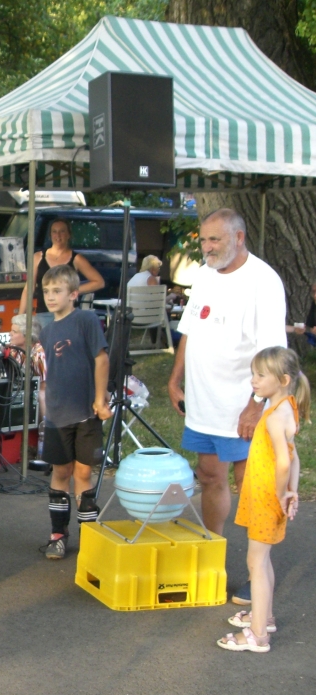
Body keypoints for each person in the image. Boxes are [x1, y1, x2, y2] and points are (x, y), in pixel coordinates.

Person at [168, 208, 287, 606]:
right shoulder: (204, 274)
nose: (207, 247)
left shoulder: (263, 281)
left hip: (243, 404)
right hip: (204, 402)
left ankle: (257, 573)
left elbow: (272, 354)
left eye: (214, 239)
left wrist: (255, 405)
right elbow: (189, 328)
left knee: (251, 485)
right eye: (203, 240)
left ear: (239, 237)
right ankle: (213, 562)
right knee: (209, 476)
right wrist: (175, 377)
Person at [217, 347, 309, 653]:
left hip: (266, 497)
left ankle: (257, 635)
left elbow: (283, 461)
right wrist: (292, 490)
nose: (253, 380)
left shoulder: (274, 417)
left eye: (260, 375)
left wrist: (282, 493)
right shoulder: (286, 407)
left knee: (255, 562)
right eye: (253, 374)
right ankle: (263, 616)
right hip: (269, 495)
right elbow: (293, 456)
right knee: (262, 559)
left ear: (283, 380)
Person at [37, 265, 111, 560]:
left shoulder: (86, 319)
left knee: (83, 473)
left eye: (57, 291)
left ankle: (89, 537)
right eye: (46, 291)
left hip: (86, 412)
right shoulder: (46, 331)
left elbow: (101, 359)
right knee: (61, 472)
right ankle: (58, 535)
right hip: (57, 414)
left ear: (74, 294)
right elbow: (47, 375)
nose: (50, 296)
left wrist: (100, 399)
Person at [19, 219, 105, 329]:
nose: (58, 235)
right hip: (44, 313)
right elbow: (28, 288)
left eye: (62, 231)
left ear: (69, 234)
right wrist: (20, 317)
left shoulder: (77, 259)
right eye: (54, 232)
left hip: (68, 314)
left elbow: (99, 282)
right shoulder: (37, 257)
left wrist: (72, 291)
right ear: (50, 235)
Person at [9, 313, 47, 417]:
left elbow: (43, 390)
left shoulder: (39, 355)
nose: (9, 334)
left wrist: (44, 422)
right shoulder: (14, 350)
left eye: (14, 332)